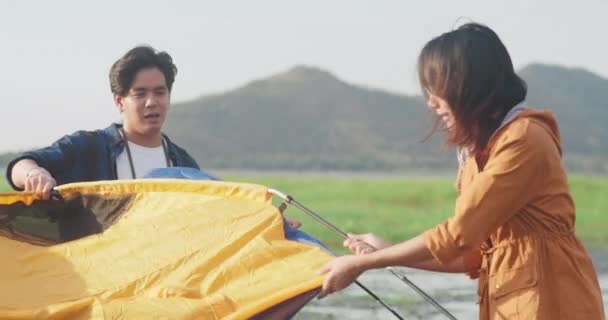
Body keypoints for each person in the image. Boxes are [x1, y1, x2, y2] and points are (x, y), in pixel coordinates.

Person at [317, 23, 604, 319]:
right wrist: (385, 251)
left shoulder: (524, 138)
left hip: (555, 305)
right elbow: (470, 256)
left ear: (470, 86)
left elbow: (458, 235)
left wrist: (363, 264)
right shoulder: (476, 154)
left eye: (437, 89)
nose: (431, 103)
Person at [5, 46, 199, 199]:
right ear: (119, 101)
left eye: (159, 92)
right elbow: (19, 166)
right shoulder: (89, 147)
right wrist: (34, 174)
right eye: (140, 94)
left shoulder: (184, 164)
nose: (151, 102)